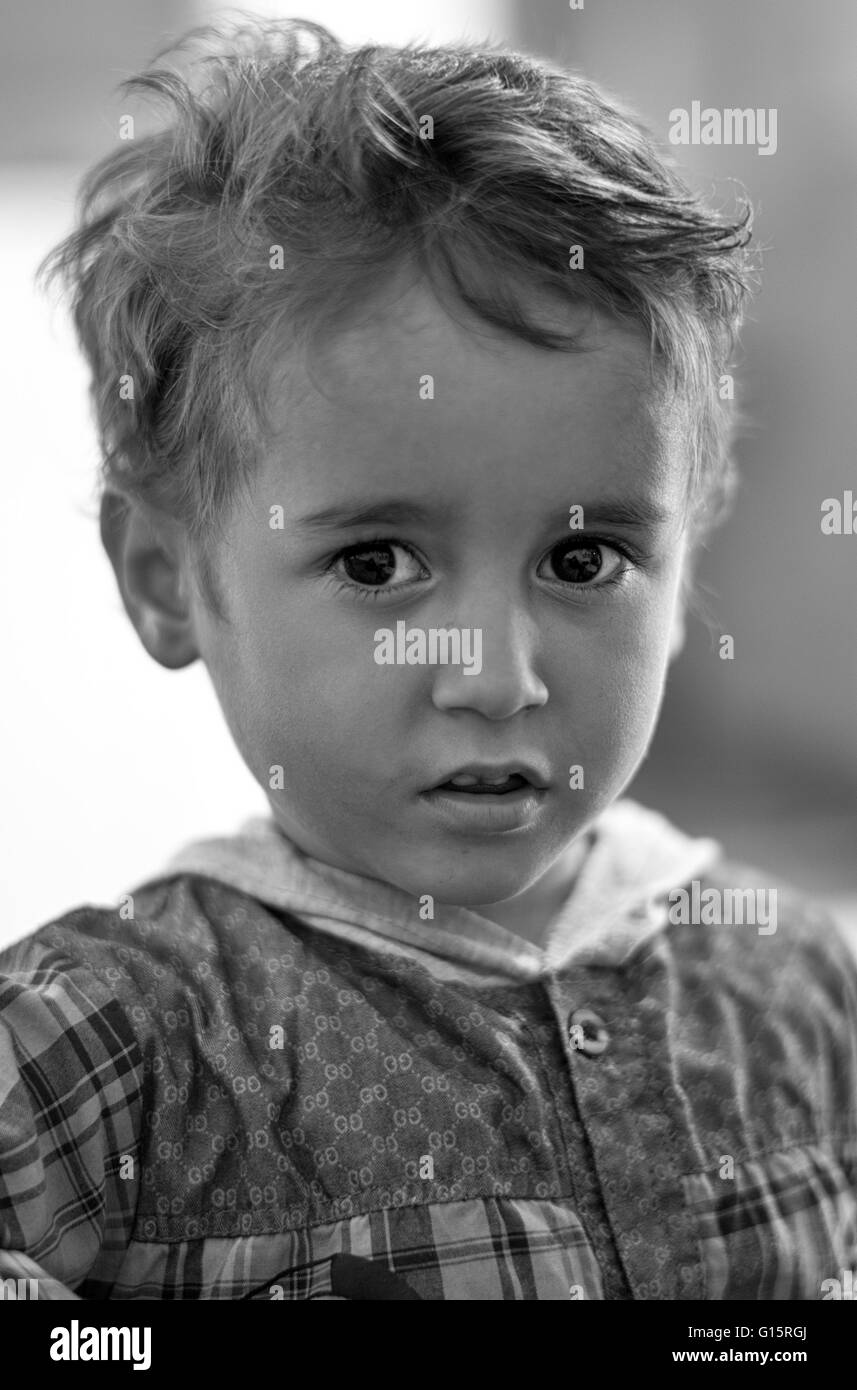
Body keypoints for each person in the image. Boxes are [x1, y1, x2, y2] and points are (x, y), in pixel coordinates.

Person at [2, 15, 856, 1301]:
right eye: (375, 565)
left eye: (582, 563)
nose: (496, 676)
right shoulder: (100, 1050)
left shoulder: (804, 986)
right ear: (168, 579)